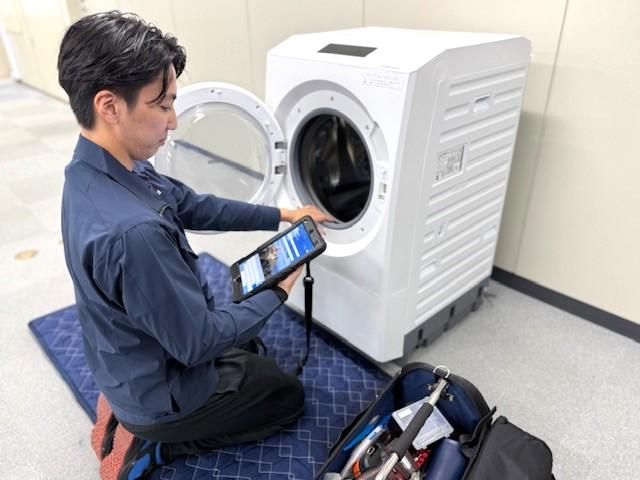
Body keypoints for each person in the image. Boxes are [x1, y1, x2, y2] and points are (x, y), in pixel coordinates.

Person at [57, 11, 331, 479]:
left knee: (253, 346)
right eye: (162, 105)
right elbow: (198, 344)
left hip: (127, 355)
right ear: (109, 106)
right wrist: (277, 292)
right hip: (164, 388)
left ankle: (131, 408)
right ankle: (156, 445)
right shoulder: (134, 234)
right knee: (287, 397)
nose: (173, 121)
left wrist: (283, 214)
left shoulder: (94, 170)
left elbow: (194, 205)